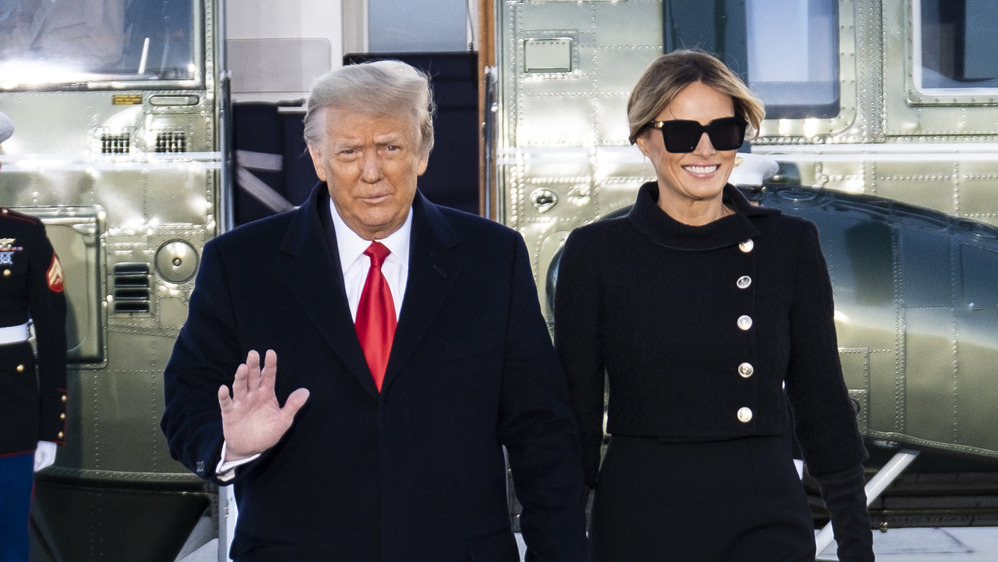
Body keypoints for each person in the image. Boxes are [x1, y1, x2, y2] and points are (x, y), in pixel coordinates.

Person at [160, 60, 587, 561]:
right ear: (318, 159)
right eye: (349, 151)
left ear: (423, 152)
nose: (371, 172)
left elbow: (542, 433)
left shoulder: (493, 258)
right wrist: (233, 445)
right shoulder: (240, 264)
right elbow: (187, 404)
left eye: (390, 147)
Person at [553, 49, 874, 561]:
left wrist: (857, 546)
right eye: (681, 132)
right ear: (643, 139)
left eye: (724, 131)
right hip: (641, 517)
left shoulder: (787, 246)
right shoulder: (597, 254)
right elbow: (577, 417)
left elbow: (823, 402)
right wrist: (560, 543)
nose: (705, 149)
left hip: (763, 514)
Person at [0, 109, 68, 562]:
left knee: (10, 542)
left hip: (10, 412)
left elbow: (52, 336)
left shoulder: (24, 234)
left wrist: (50, 430)